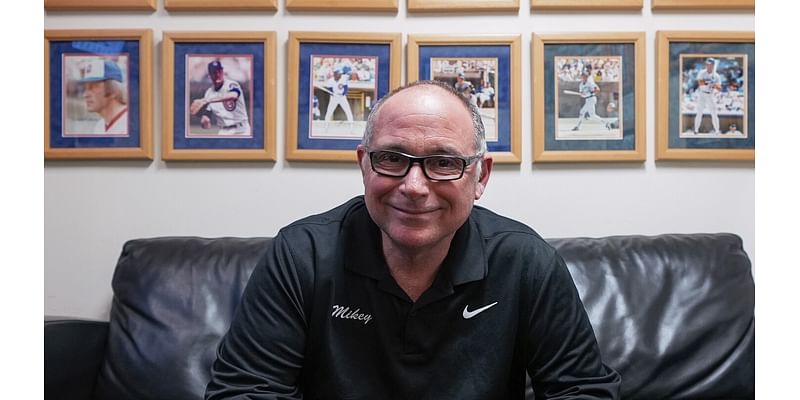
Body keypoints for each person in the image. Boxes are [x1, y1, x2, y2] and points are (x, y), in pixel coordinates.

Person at [205, 80, 621, 399]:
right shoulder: (302, 255)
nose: (415, 186)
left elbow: (583, 390)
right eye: (392, 158)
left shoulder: (526, 260)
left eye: (443, 162)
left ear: (481, 176)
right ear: (364, 165)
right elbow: (244, 391)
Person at [190, 60, 251, 135]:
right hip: (223, 131)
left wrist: (208, 100)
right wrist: (204, 121)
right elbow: (207, 117)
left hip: (241, 130)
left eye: (219, 71)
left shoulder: (231, 84)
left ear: (223, 72)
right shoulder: (209, 93)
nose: (217, 74)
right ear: (209, 75)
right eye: (214, 72)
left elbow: (233, 95)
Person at [80, 59, 128, 135]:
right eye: (85, 88)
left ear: (113, 91)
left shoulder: (131, 125)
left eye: (93, 86)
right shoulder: (99, 126)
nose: (85, 95)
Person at [692, 58, 722, 134]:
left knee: (714, 113)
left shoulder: (716, 76)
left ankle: (717, 130)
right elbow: (700, 82)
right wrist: (709, 82)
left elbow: (719, 88)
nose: (708, 66)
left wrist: (714, 84)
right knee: (699, 112)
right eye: (707, 64)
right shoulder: (702, 72)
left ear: (713, 65)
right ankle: (696, 130)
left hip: (710, 95)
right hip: (702, 94)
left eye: (710, 64)